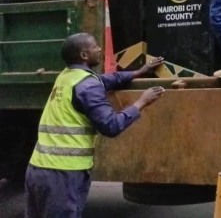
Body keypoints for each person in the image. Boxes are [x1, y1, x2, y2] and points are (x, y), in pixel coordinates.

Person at [25, 33, 164, 217]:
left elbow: (106, 80)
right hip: (63, 174)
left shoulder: (67, 76)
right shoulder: (87, 85)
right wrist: (142, 102)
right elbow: (111, 126)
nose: (99, 49)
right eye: (94, 46)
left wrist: (139, 72)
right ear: (84, 55)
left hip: (37, 170)